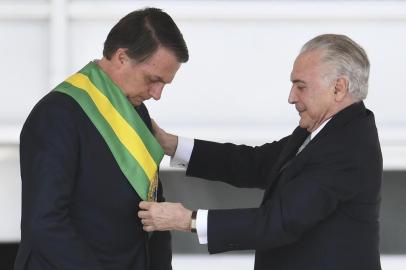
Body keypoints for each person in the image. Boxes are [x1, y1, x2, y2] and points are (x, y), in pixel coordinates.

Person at [138, 34, 383, 270]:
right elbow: (254, 163)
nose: (291, 97)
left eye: (300, 86)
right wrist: (170, 144)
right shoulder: (326, 129)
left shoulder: (347, 148)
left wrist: (186, 220)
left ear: (338, 88)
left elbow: (278, 222)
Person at [15, 7, 188, 270]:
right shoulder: (57, 114)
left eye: (164, 84)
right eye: (153, 80)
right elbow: (45, 224)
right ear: (121, 57)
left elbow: (152, 205)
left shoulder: (136, 111)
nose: (157, 94)